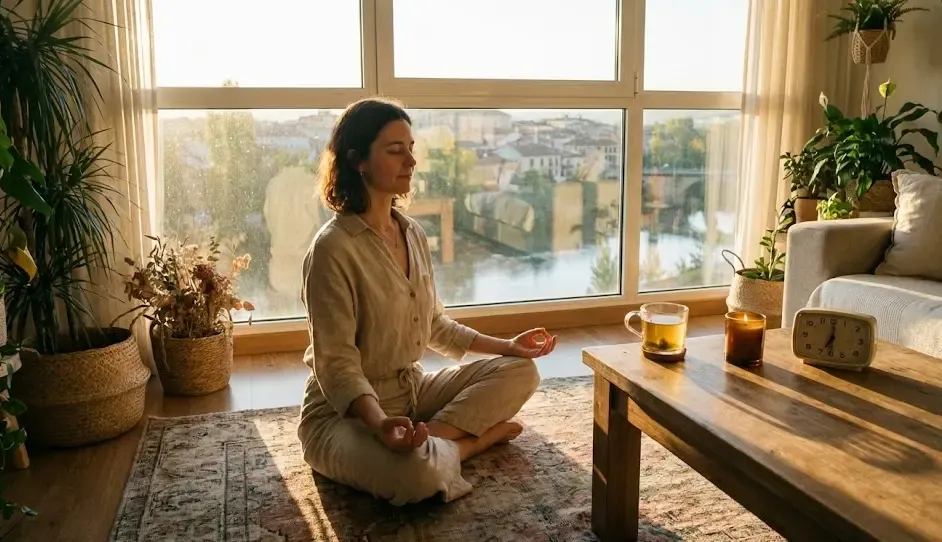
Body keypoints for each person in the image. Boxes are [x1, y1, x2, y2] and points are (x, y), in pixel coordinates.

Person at [297, 97, 558, 506]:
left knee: (521, 371)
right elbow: (337, 364)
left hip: (412, 392)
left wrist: (508, 346)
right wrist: (380, 424)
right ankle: (467, 445)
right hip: (343, 415)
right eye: (395, 150)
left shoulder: (412, 233)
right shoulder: (332, 249)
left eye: (411, 148)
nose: (411, 161)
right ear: (358, 160)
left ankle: (428, 439)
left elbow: (434, 325)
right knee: (416, 476)